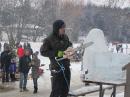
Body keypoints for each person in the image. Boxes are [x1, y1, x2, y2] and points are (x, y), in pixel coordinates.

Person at [40, 20, 72, 97]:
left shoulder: (65, 37)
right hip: (57, 68)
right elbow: (43, 52)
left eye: (64, 27)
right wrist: (57, 53)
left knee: (65, 90)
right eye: (62, 27)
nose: (64, 29)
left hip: (66, 66)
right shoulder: (49, 39)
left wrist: (70, 49)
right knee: (56, 91)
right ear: (57, 28)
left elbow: (69, 44)